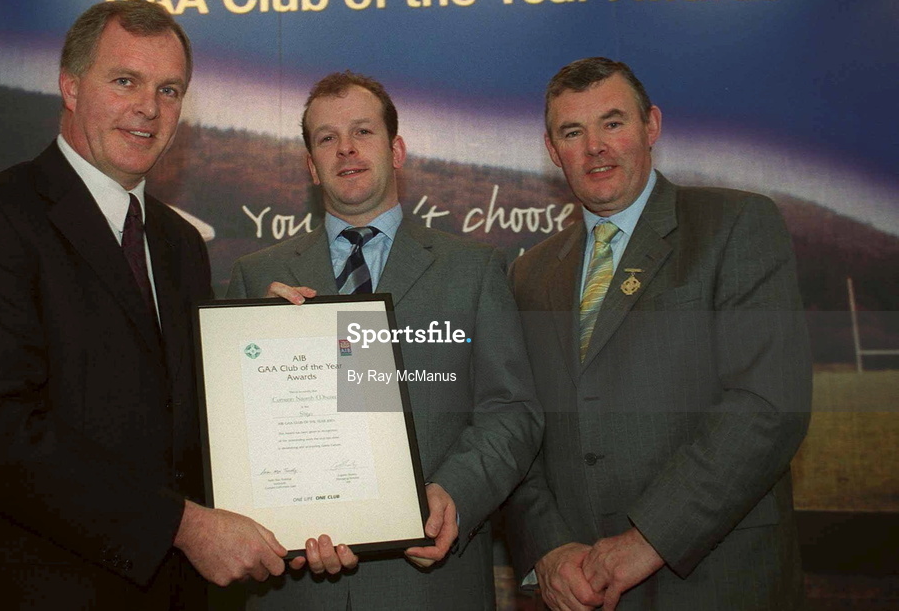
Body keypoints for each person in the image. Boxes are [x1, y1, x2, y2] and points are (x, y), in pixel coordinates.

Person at [0, 0, 291, 609]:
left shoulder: (179, 243)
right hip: (34, 591)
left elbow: (180, 411)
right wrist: (183, 526)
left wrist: (266, 348)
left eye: (169, 90)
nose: (149, 107)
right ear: (69, 86)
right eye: (125, 81)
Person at [504, 57, 812, 610]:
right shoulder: (529, 274)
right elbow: (517, 425)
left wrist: (648, 539)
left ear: (651, 126)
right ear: (553, 151)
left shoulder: (737, 225)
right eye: (572, 132)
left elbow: (768, 404)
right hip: (579, 590)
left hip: (717, 581)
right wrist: (547, 550)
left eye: (613, 123)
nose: (595, 145)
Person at [226, 71, 543, 609]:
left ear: (396, 150)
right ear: (310, 165)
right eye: (326, 138)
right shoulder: (259, 279)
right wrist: (264, 344)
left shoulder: (474, 270)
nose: (345, 148)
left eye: (363, 132)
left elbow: (512, 412)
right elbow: (233, 429)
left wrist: (455, 496)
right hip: (295, 590)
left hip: (428, 585)